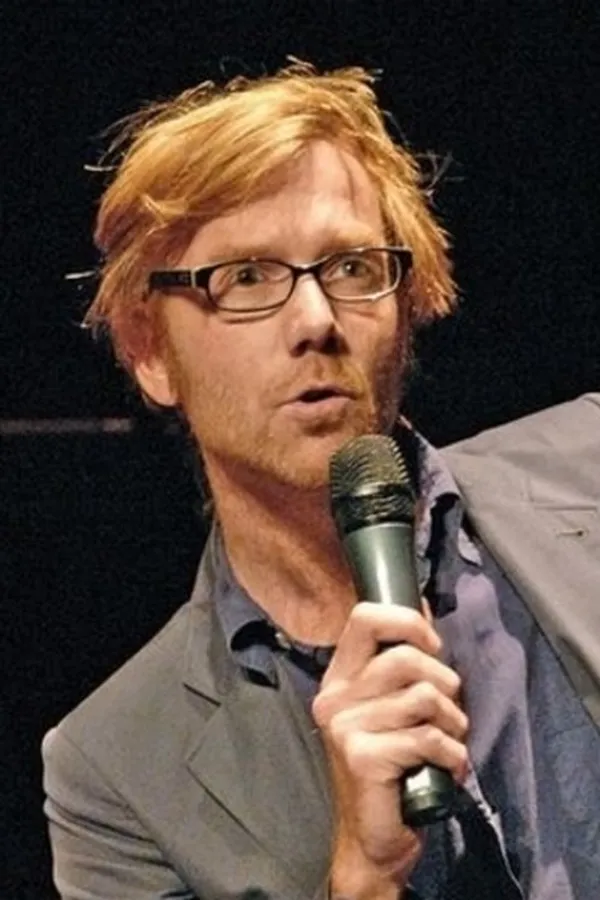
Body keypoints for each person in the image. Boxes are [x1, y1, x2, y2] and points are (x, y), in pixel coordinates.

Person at [42, 60, 600, 899]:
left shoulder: (590, 466)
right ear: (148, 349)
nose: (316, 320)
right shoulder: (113, 772)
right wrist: (362, 874)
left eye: (351, 268)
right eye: (246, 277)